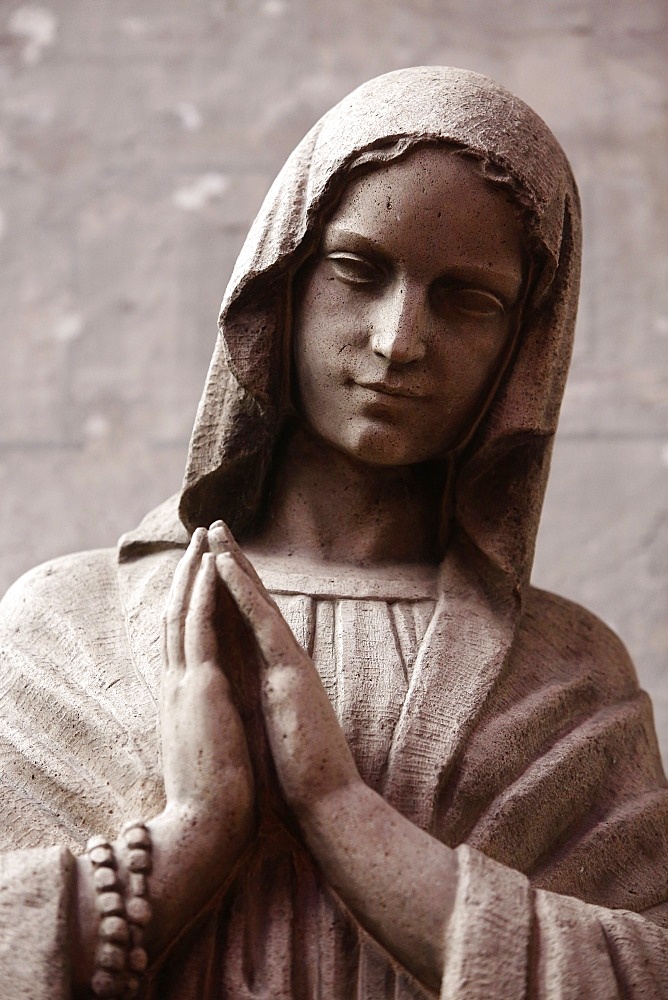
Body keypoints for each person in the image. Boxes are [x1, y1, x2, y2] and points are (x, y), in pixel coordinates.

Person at [0, 66, 667, 999]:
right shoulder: (70, 627)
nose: (400, 341)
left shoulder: (563, 676)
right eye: (359, 271)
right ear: (285, 279)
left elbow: (641, 972)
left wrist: (343, 813)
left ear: (524, 348)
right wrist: (195, 832)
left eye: (468, 300)